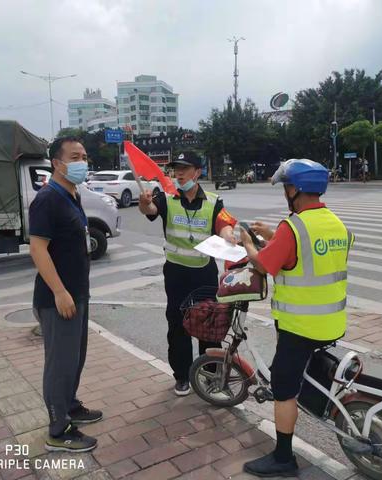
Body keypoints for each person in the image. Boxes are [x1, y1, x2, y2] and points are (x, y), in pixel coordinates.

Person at [239, 159, 354, 477]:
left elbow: (263, 265)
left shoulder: (293, 227)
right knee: (304, 373)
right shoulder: (336, 224)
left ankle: (283, 457)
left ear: (295, 189)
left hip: (300, 326)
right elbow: (312, 253)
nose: (285, 193)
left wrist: (250, 243)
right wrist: (274, 235)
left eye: (286, 187)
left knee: (283, 387)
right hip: (331, 322)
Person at [138, 151, 237, 396]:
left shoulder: (214, 201)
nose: (178, 174)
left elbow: (224, 224)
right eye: (175, 169)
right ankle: (181, 376)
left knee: (209, 325)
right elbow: (150, 209)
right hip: (176, 274)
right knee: (177, 325)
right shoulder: (167, 197)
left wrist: (228, 236)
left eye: (184, 168)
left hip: (203, 274)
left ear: (197, 172)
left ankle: (210, 376)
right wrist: (144, 203)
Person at [29, 136, 101, 453]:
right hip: (58, 298)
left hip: (77, 294)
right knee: (59, 365)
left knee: (75, 359)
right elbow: (38, 248)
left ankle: (70, 406)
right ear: (57, 163)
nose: (82, 161)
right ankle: (58, 430)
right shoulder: (48, 199)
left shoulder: (72, 194)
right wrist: (59, 291)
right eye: (75, 156)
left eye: (84, 155)